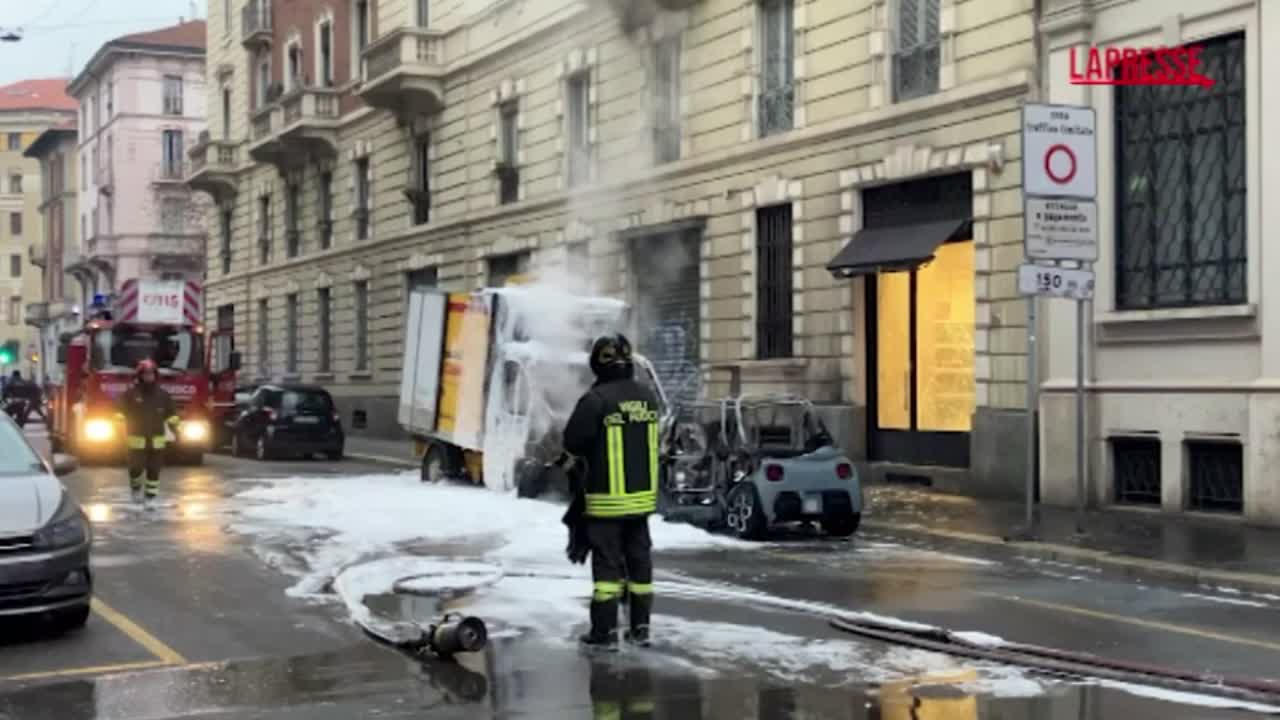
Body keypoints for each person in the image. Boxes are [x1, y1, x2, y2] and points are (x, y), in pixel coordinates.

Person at [563, 333, 661, 650]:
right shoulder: (647, 397)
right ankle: (641, 628)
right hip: (641, 501)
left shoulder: (597, 400)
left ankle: (603, 633)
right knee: (640, 565)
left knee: (607, 571)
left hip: (607, 502)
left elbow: (573, 442)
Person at [114, 359, 180, 508]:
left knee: (154, 471)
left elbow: (171, 414)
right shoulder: (130, 394)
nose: (148, 377)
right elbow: (119, 410)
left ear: (155, 375)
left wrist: (176, 429)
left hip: (157, 441)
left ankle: (150, 498)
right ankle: (136, 489)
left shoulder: (163, 395)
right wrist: (119, 423)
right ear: (140, 375)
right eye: (145, 374)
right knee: (135, 468)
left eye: (151, 374)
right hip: (136, 440)